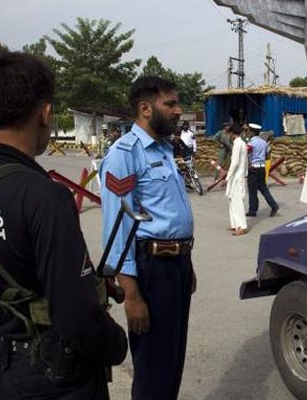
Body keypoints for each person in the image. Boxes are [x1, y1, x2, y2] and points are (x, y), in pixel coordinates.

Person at [0, 50, 128, 400]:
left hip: (2, 370)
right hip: (58, 378)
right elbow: (77, 316)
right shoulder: (46, 197)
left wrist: (1, 339)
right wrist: (116, 344)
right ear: (45, 113)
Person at [99, 75, 196, 400]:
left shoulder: (165, 149)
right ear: (145, 108)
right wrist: (132, 294)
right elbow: (117, 229)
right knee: (154, 368)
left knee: (173, 360)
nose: (178, 110)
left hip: (177, 264)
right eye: (170, 104)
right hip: (151, 270)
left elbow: (170, 215)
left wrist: (187, 261)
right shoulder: (124, 154)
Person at [246, 126, 279, 217]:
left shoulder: (251, 143)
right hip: (262, 168)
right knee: (263, 189)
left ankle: (253, 210)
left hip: (254, 168)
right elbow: (267, 155)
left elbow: (246, 153)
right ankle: (274, 205)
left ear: (252, 132)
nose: (248, 133)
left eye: (248, 131)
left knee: (252, 191)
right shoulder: (264, 143)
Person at [225, 123, 248, 236]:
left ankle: (242, 226)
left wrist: (228, 176)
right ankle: (235, 224)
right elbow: (246, 161)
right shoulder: (242, 143)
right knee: (232, 201)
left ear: (232, 133)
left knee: (237, 202)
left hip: (237, 177)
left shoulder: (237, 144)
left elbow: (234, 163)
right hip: (239, 175)